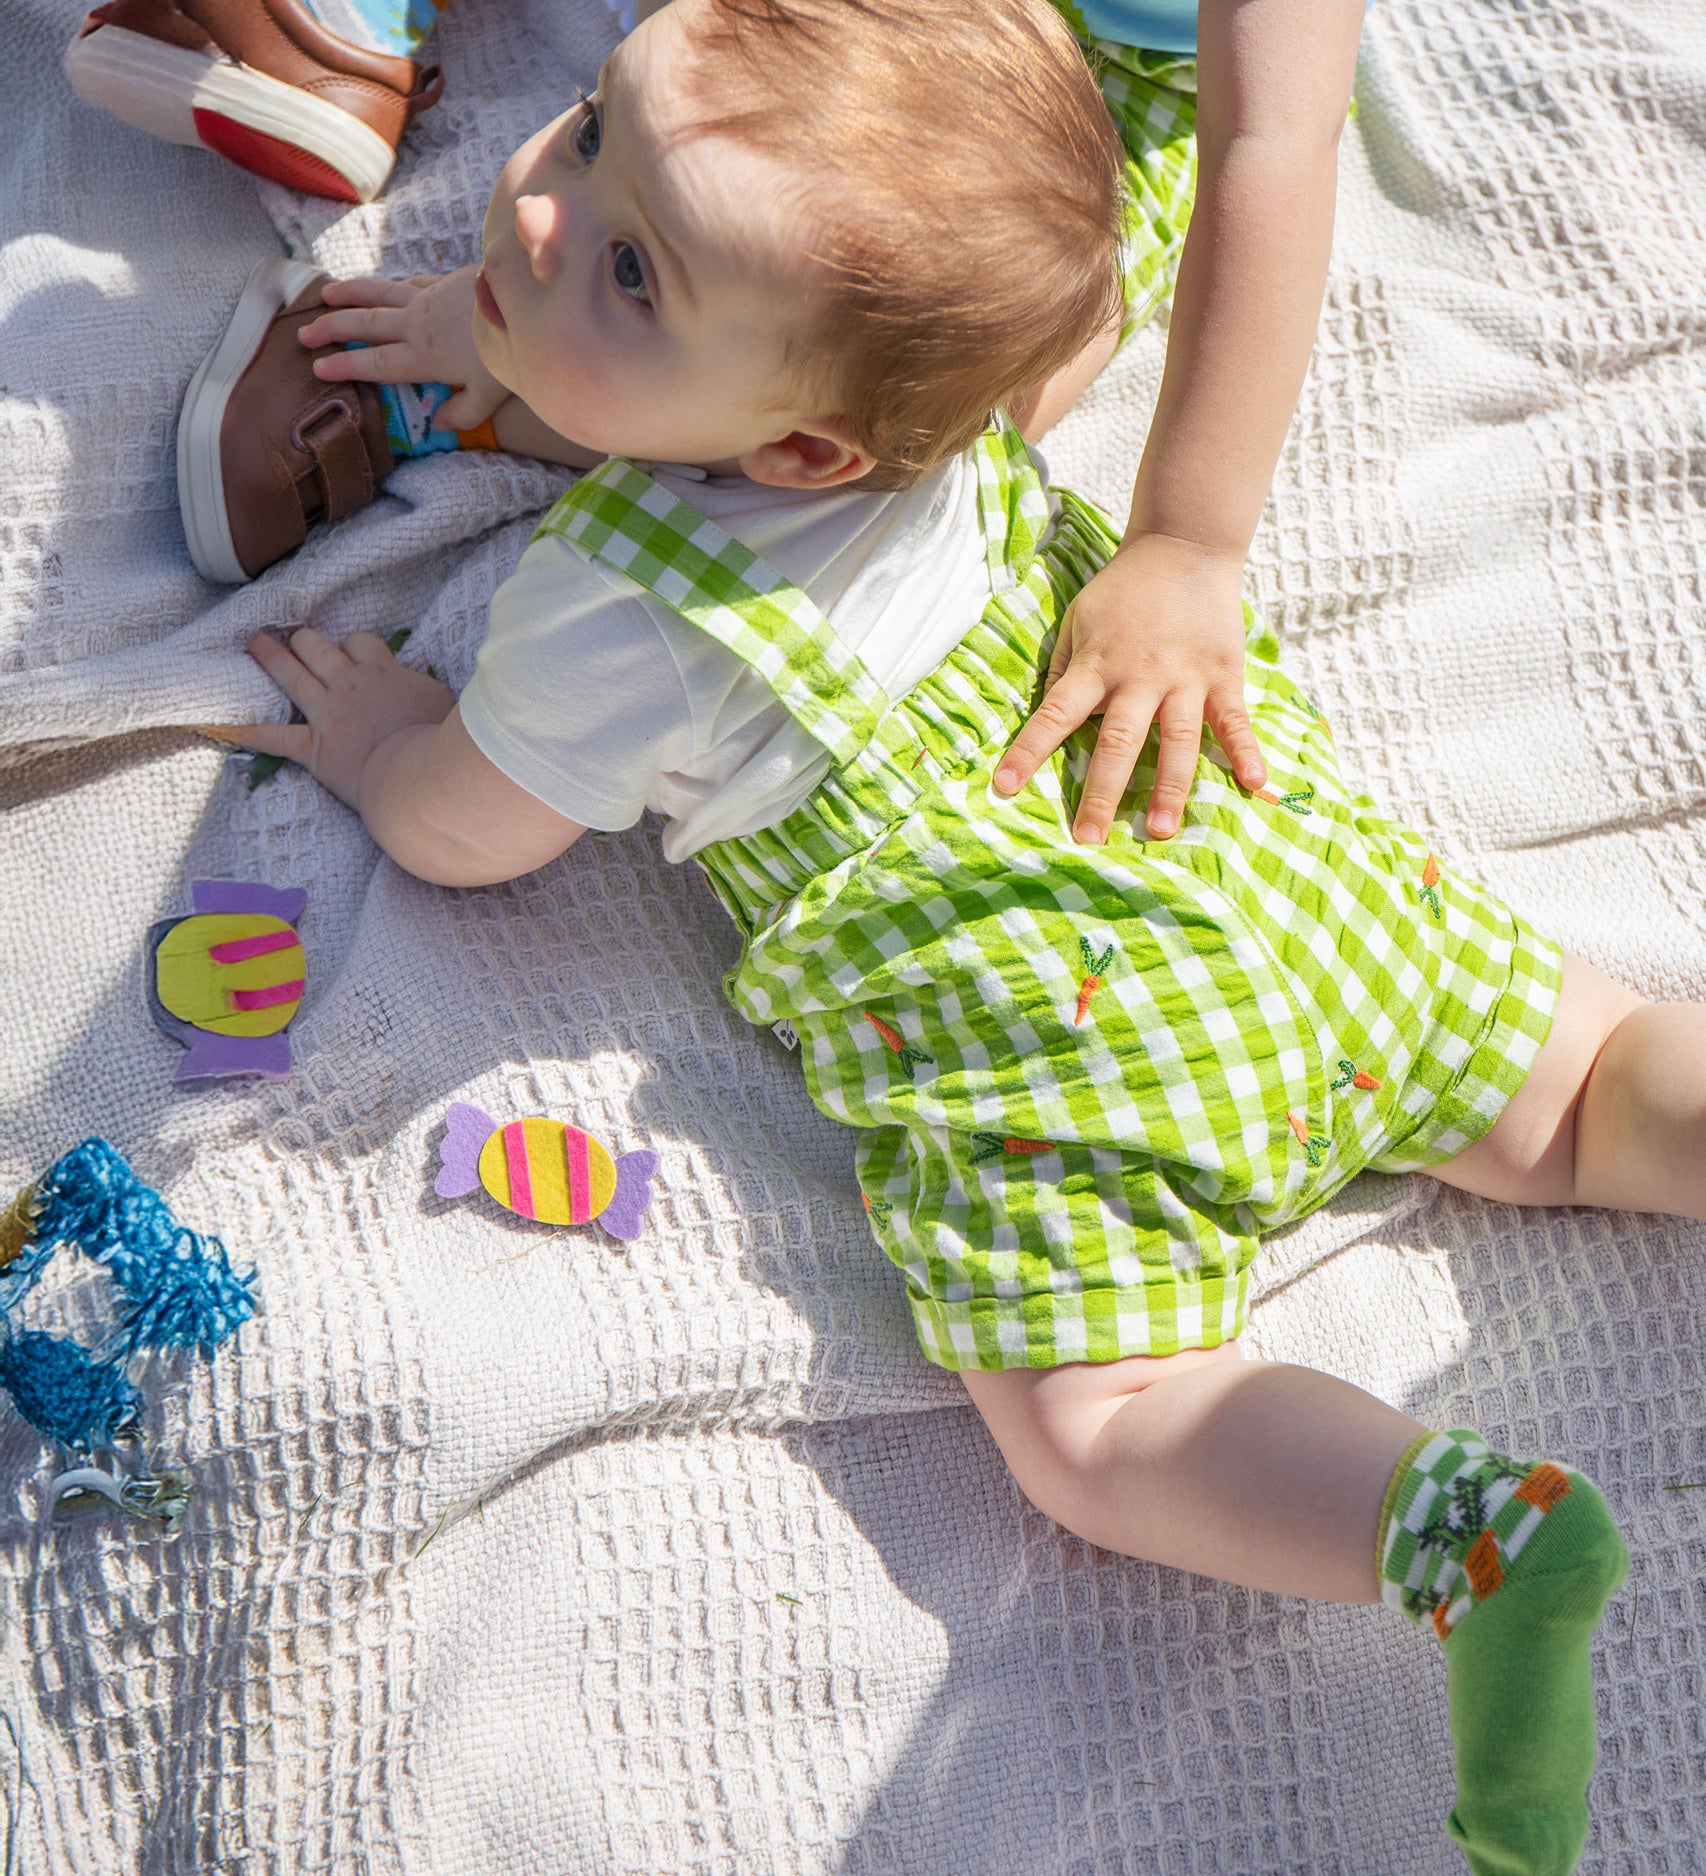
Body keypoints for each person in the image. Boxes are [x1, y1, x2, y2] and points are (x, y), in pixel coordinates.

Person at [195, 2, 1706, 1869]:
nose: (528, 215)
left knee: (1104, 1432)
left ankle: (1474, 1542)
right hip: (1257, 863)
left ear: (811, 445)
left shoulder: (616, 611)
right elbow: (895, 293)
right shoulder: (973, 408)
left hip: (1070, 1048)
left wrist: (379, 745)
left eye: (630, 268)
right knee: (1587, 1090)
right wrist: (558, 327)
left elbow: (463, 837)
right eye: (588, 131)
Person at [67, 0, 1366, 840]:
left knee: (959, 386)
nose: (523, 200)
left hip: (1094, 106)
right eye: (566, 140)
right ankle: (363, 56)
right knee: (690, 117)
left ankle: (519, 383)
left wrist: (1184, 545)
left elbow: (1271, 148)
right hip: (844, 39)